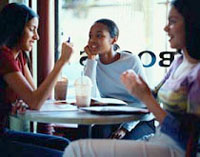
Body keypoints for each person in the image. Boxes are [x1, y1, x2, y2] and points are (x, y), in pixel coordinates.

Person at [63, 0, 200, 156]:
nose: (165, 28)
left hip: (173, 149)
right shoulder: (178, 63)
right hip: (157, 139)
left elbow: (188, 139)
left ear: (192, 24)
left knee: (77, 150)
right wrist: (144, 94)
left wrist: (144, 97)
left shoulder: (197, 74)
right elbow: (152, 95)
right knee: (86, 143)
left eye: (173, 22)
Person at [0, 3, 73, 156]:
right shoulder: (3, 56)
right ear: (16, 28)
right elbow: (36, 101)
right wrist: (61, 62)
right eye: (32, 29)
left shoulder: (18, 56)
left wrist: (22, 99)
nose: (37, 36)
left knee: (65, 145)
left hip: (3, 133)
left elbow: (35, 95)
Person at [84, 18, 155, 140]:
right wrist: (91, 59)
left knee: (125, 143)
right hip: (112, 117)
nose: (92, 41)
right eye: (90, 36)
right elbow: (89, 97)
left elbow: (144, 101)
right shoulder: (92, 64)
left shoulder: (131, 61)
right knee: (97, 134)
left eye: (99, 36)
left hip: (139, 119)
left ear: (114, 39)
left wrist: (125, 127)